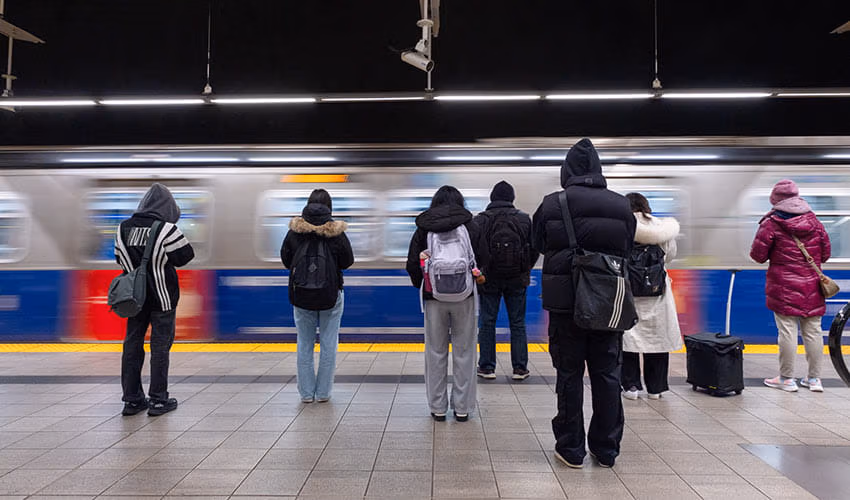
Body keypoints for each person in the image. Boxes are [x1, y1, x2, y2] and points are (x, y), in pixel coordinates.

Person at [532, 138, 636, 469]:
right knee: (607, 375)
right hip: (608, 304)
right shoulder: (621, 206)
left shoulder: (552, 204)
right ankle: (606, 449)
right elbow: (627, 248)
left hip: (566, 306)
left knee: (569, 375)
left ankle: (571, 447)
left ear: (567, 170)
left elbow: (538, 243)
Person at [406, 186, 488, 422]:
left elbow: (412, 264)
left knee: (435, 352)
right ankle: (462, 409)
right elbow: (484, 260)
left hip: (434, 299)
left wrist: (425, 285)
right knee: (465, 352)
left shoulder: (424, 227)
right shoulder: (472, 226)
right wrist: (476, 281)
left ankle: (438, 408)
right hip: (466, 297)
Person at [114, 183, 195, 416]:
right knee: (160, 347)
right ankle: (158, 399)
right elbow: (185, 257)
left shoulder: (122, 228)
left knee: (132, 346)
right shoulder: (167, 229)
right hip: (163, 299)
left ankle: (132, 400)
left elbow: (119, 259)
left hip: (133, 299)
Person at [750, 179, 831, 393]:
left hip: (783, 285)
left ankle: (787, 379)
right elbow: (826, 253)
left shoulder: (772, 222)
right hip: (813, 284)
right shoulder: (814, 221)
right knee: (813, 331)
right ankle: (814, 380)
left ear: (775, 200)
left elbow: (757, 256)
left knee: (787, 331)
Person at [281, 189, 354, 403]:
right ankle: (323, 393)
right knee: (329, 344)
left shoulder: (295, 230)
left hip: (301, 295)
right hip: (331, 295)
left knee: (304, 343)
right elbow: (348, 261)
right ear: (329, 206)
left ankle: (306, 394)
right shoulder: (336, 231)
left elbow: (286, 260)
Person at [473, 180, 539, 380]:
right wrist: (525, 268)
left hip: (488, 279)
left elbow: (474, 250)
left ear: (492, 198)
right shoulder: (524, 219)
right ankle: (520, 368)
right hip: (517, 279)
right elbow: (535, 247)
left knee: (487, 322)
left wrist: (481, 272)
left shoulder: (480, 220)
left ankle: (486, 367)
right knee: (517, 323)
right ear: (512, 198)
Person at [621, 193, 682, 400]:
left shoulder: (622, 227)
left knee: (627, 339)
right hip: (657, 292)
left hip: (628, 292)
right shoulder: (661, 228)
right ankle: (656, 388)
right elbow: (670, 255)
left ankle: (631, 387)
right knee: (657, 339)